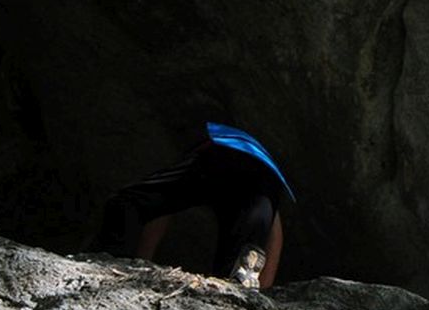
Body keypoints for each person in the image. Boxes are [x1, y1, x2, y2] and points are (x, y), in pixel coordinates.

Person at [93, 121, 292, 288]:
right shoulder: (265, 182)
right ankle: (239, 291)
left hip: (220, 153)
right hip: (266, 179)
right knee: (237, 275)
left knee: (127, 202)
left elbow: (161, 209)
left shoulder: (211, 149)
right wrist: (262, 293)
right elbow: (274, 239)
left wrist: (140, 263)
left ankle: (109, 259)